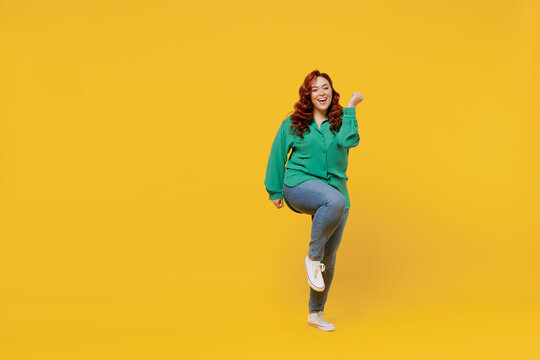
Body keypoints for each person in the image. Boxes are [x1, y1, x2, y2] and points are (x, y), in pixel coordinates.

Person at [264, 69, 363, 332]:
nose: (321, 93)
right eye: (315, 88)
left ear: (333, 93)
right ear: (308, 94)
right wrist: (274, 190)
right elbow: (277, 153)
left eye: (326, 88)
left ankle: (315, 313)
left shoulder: (341, 121)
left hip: (336, 196)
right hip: (299, 184)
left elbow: (349, 140)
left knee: (328, 259)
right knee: (334, 204)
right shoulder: (294, 122)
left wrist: (351, 108)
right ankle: (312, 257)